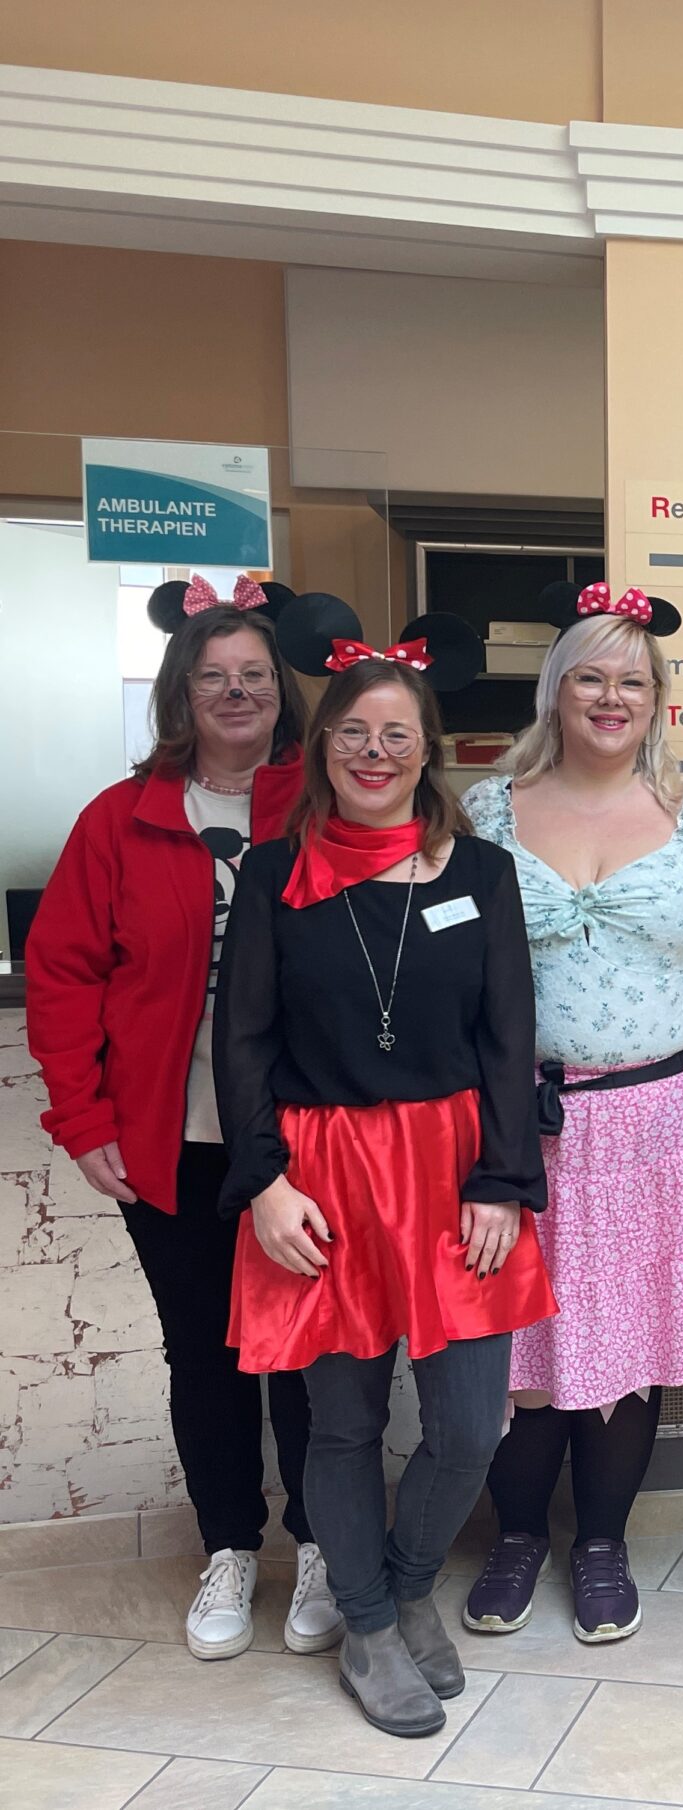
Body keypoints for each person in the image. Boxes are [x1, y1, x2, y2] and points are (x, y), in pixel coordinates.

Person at [216, 604, 556, 1739]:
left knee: (469, 1423)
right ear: (322, 747)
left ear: (426, 749)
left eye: (396, 734)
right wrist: (265, 1182)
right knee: (343, 1422)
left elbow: (511, 1036)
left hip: (455, 1173)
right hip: (320, 1178)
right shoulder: (273, 875)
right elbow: (242, 1043)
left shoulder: (484, 873)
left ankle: (408, 1585)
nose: (374, 752)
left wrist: (504, 1180)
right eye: (353, 732)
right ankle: (366, 1623)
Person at [27, 575, 341, 1662]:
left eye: (255, 674)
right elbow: (62, 974)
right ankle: (230, 1546)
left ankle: (322, 1542)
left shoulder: (324, 804)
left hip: (305, 1142)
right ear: (182, 692)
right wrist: (85, 1121)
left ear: (282, 690)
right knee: (205, 1353)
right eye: (214, 676)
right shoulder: (119, 820)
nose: (237, 691)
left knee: (306, 1353)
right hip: (174, 1143)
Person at [462, 581, 683, 1644]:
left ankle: (600, 1544)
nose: (610, 697)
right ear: (556, 689)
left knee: (629, 1341)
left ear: (658, 698)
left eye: (631, 681)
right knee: (516, 1347)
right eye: (589, 677)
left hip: (658, 1123)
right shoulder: (488, 811)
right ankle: (515, 1538)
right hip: (520, 1126)